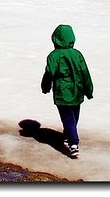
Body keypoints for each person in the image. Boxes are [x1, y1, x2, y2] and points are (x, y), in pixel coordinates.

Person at [40, 24, 94, 159]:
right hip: (77, 91)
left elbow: (49, 73)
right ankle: (68, 135)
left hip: (63, 93)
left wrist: (45, 86)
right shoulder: (77, 54)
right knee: (74, 116)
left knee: (67, 118)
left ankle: (73, 143)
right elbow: (85, 73)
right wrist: (89, 90)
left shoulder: (54, 55)